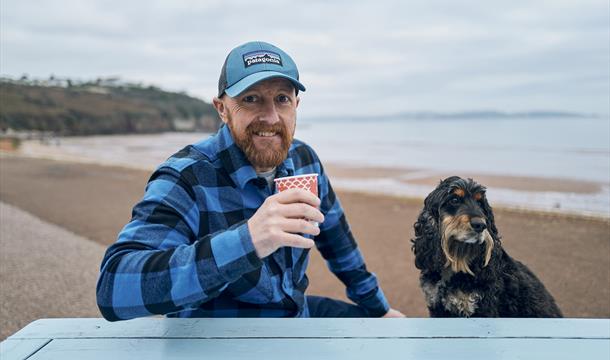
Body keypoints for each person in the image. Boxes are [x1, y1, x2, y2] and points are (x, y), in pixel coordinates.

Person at [96, 41, 404, 320]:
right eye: (252, 99)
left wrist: (381, 309)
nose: (270, 117)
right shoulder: (188, 176)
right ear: (223, 109)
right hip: (219, 336)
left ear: (296, 106)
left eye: (282, 99)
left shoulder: (303, 160)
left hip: (295, 316)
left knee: (382, 333)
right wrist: (248, 240)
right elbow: (113, 287)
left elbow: (339, 244)